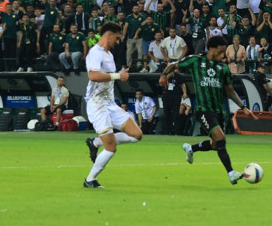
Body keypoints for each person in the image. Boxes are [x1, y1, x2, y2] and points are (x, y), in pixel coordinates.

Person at [158, 34, 256, 184]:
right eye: (221, 51)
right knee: (221, 138)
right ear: (211, 49)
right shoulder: (196, 61)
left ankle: (191, 149)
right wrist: (164, 75)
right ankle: (231, 173)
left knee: (216, 144)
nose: (223, 55)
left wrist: (244, 107)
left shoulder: (223, 69)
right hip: (203, 109)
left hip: (218, 111)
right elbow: (175, 65)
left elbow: (230, 91)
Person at [82, 22, 144, 188]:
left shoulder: (109, 54)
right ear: (108, 35)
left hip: (109, 103)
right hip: (97, 105)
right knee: (111, 148)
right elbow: (93, 75)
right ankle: (90, 180)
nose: (118, 42)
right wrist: (118, 76)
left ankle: (95, 143)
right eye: (117, 38)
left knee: (136, 135)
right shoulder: (95, 53)